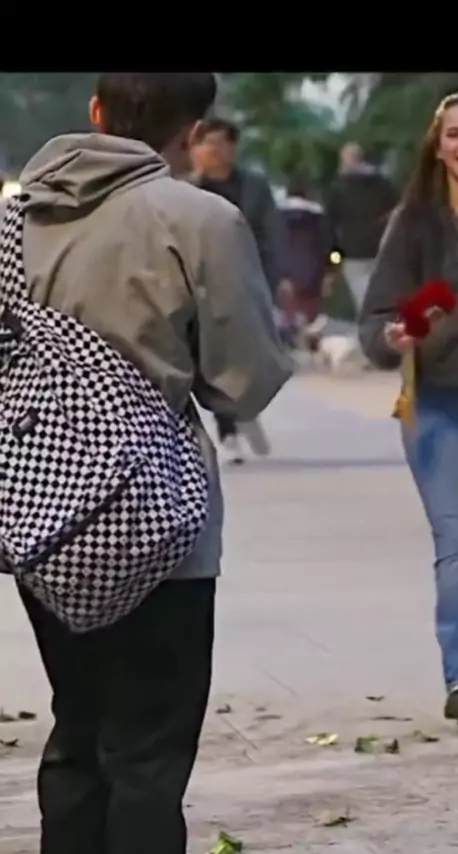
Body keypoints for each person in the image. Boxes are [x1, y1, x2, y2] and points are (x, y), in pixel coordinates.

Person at [11, 73, 292, 853]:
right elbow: (243, 383)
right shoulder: (201, 219)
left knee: (77, 727)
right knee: (148, 751)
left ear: (96, 113)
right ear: (193, 129)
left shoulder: (15, 221)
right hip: (160, 517)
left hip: (46, 521)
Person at [359, 90, 458, 729]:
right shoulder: (415, 224)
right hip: (440, 404)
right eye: (455, 133)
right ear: (438, 146)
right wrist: (393, 336)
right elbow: (375, 321)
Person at [189, 117, 283, 464]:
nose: (213, 151)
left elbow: (273, 234)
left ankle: (246, 409)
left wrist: (274, 279)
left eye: (220, 143)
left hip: (247, 281)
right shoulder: (187, 191)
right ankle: (228, 430)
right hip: (202, 287)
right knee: (212, 362)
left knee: (248, 359)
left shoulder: (254, 188)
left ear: (233, 147)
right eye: (206, 144)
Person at [327, 141, 397, 317]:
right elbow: (397, 213)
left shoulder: (338, 188)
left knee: (363, 299)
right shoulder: (384, 185)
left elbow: (331, 227)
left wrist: (334, 261)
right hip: (382, 248)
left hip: (353, 253)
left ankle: (372, 327)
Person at [277, 174, 338, 349]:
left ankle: (289, 340)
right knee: (313, 316)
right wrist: (332, 270)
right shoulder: (320, 217)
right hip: (314, 272)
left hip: (285, 271)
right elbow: (334, 249)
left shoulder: (276, 215)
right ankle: (312, 342)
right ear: (309, 193)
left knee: (288, 311)